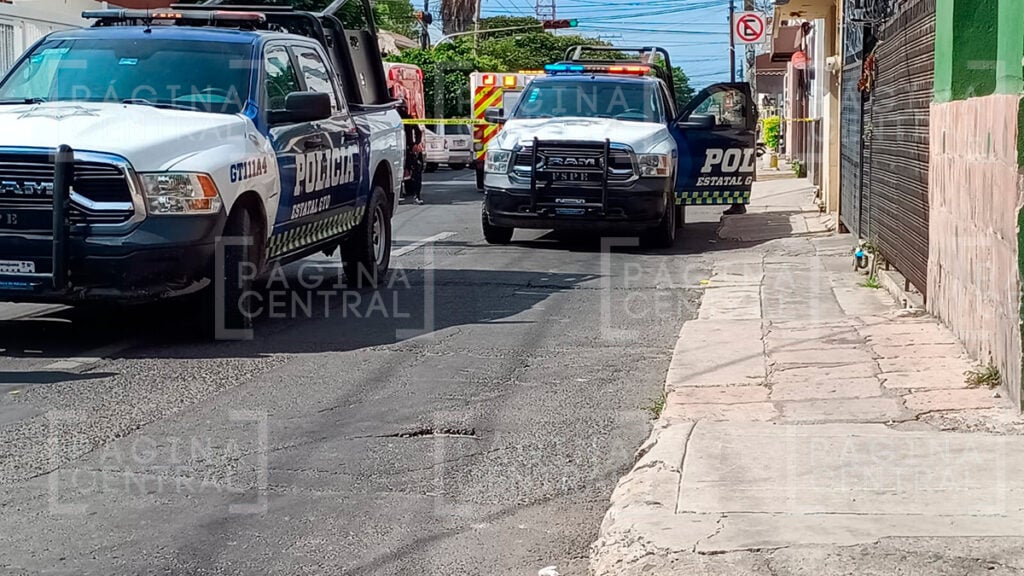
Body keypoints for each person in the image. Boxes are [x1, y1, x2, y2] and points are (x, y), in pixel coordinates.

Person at [397, 101, 424, 204]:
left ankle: (417, 196)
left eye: (402, 107)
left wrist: (416, 144)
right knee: (397, 173)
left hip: (409, 149)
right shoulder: (393, 120)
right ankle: (398, 195)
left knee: (416, 173)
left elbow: (418, 131)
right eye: (399, 108)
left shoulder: (408, 118)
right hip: (397, 150)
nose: (400, 110)